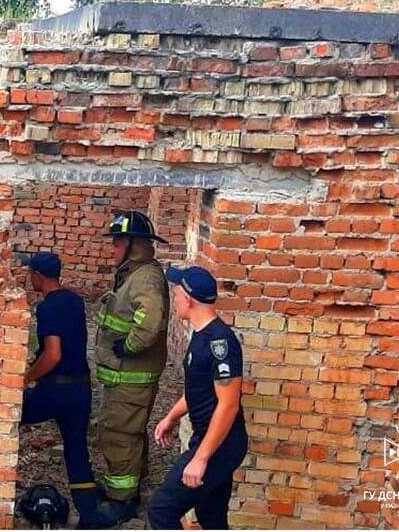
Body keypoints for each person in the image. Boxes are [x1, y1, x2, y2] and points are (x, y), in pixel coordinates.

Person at [148, 265, 248, 530]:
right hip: (209, 440)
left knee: (162, 510)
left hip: (220, 445)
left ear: (188, 298)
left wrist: (201, 458)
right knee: (211, 518)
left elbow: (228, 406)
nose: (176, 298)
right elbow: (198, 390)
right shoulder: (200, 335)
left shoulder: (220, 344)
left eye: (177, 293)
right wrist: (171, 416)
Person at [93, 211, 169, 524]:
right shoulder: (134, 273)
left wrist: (129, 346)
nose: (112, 247)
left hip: (131, 378)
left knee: (119, 435)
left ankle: (122, 501)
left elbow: (149, 323)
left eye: (117, 241)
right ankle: (127, 487)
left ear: (133, 244)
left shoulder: (145, 278)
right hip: (123, 378)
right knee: (123, 433)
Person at [19, 252, 102, 529]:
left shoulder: (48, 308)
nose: (29, 279)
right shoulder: (75, 300)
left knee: (7, 416)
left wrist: (27, 378)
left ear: (38, 276)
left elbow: (53, 355)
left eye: (30, 275)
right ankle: (89, 516)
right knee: (77, 451)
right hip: (81, 388)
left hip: (56, 391)